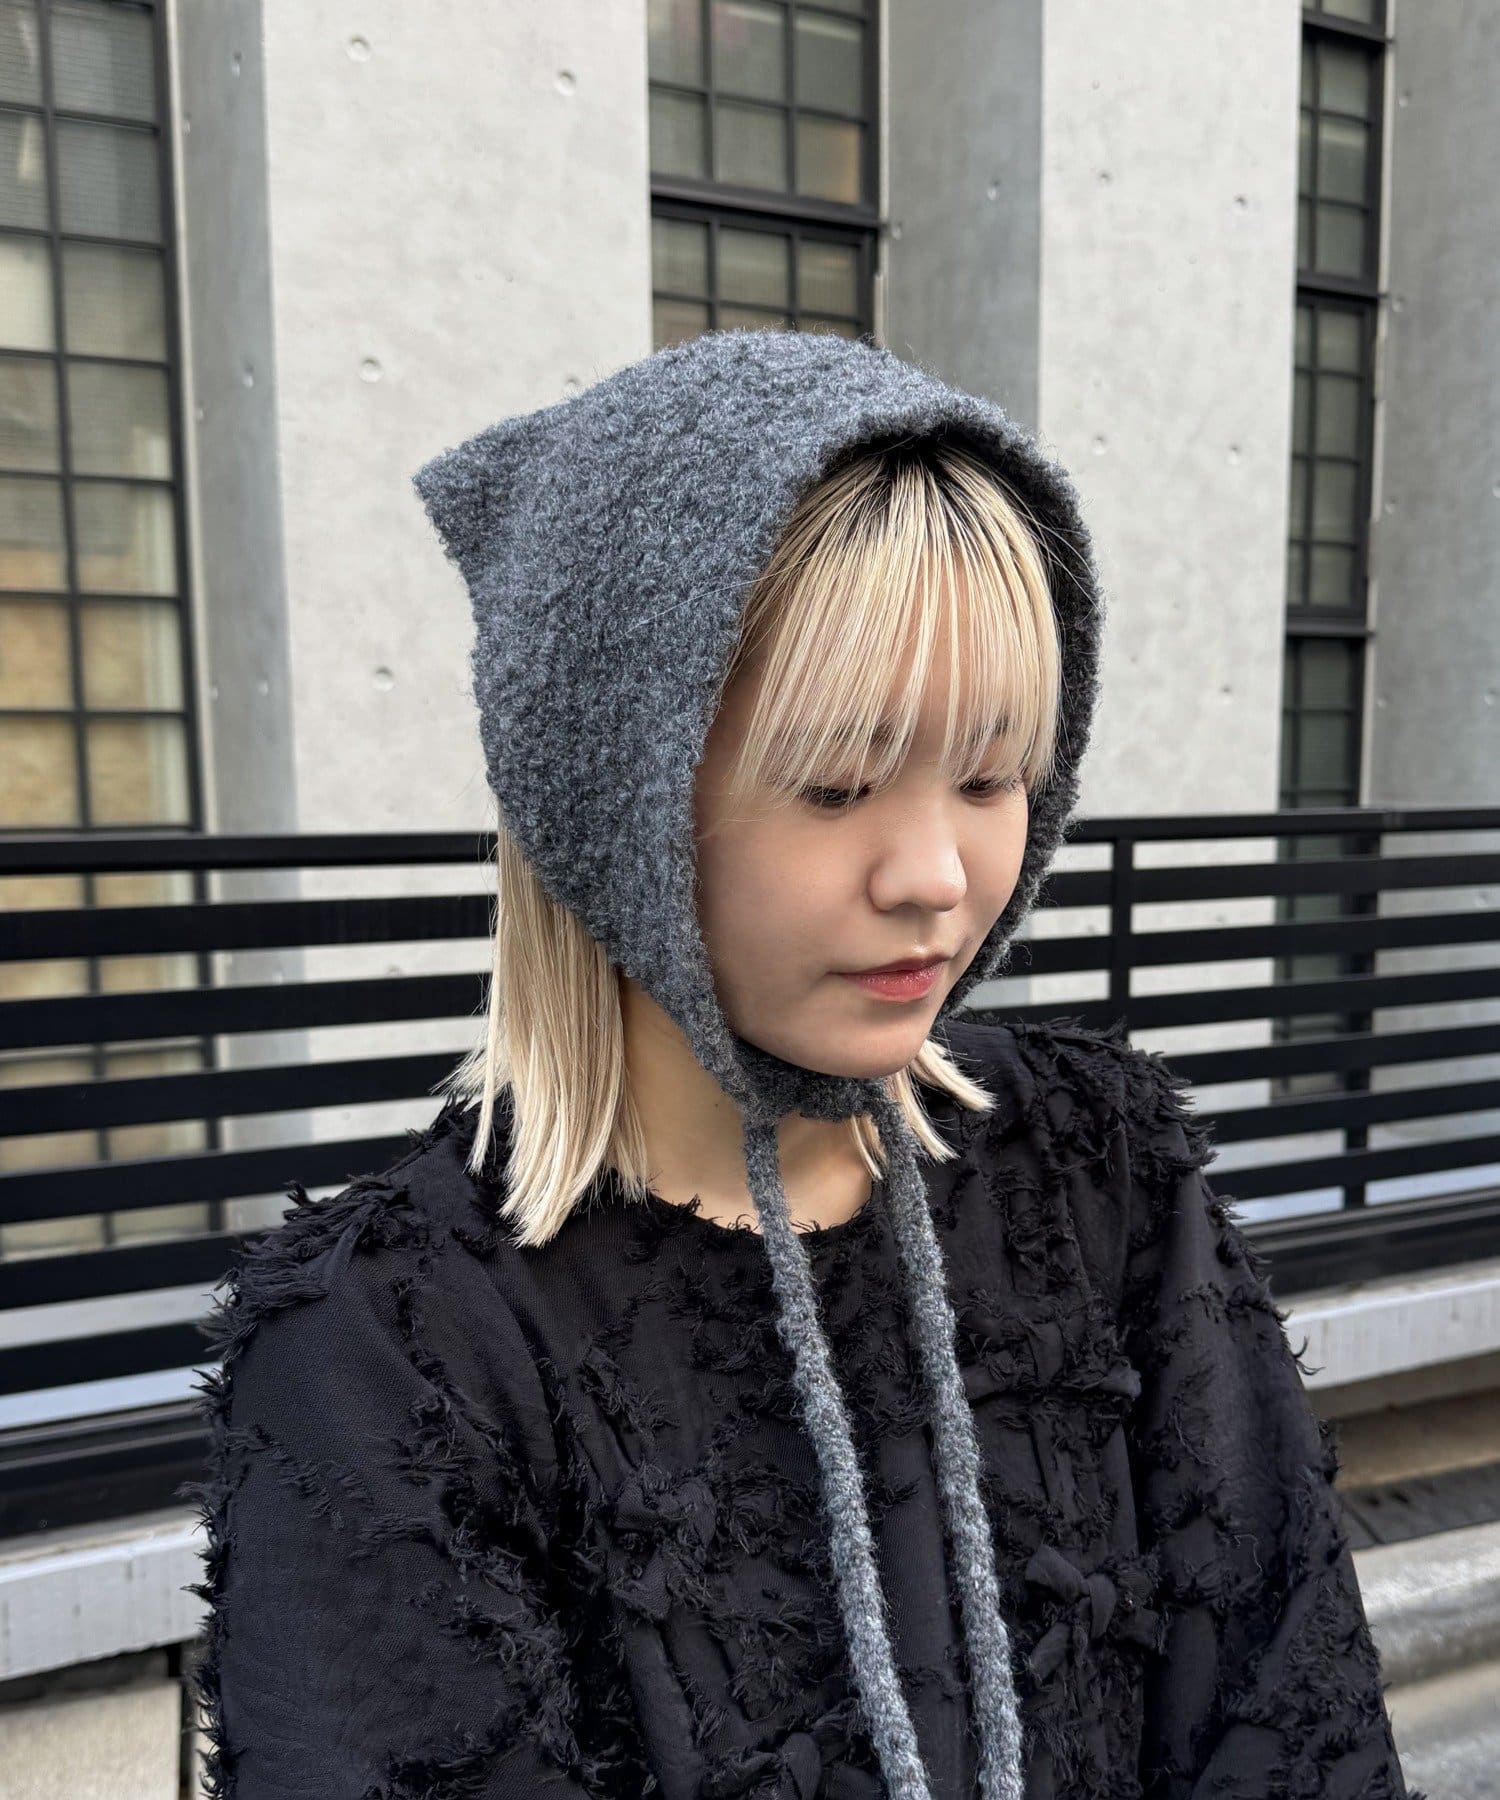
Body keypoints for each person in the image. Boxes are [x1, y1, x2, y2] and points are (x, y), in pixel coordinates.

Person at [181, 329, 1422, 1799]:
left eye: (993, 775)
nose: (937, 876)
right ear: (616, 801)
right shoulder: (390, 1348)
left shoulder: (1099, 1171)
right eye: (837, 785)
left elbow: (1291, 1708)